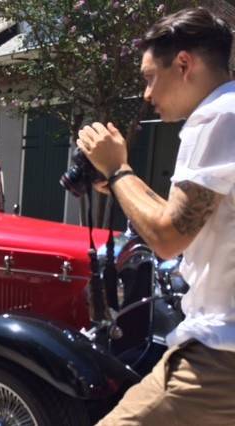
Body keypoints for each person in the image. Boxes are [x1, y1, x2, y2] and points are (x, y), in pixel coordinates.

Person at [76, 8, 235, 425]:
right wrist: (120, 184)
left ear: (184, 64)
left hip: (219, 355)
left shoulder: (217, 116)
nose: (146, 94)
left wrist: (117, 167)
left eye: (149, 78)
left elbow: (168, 237)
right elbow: (183, 216)